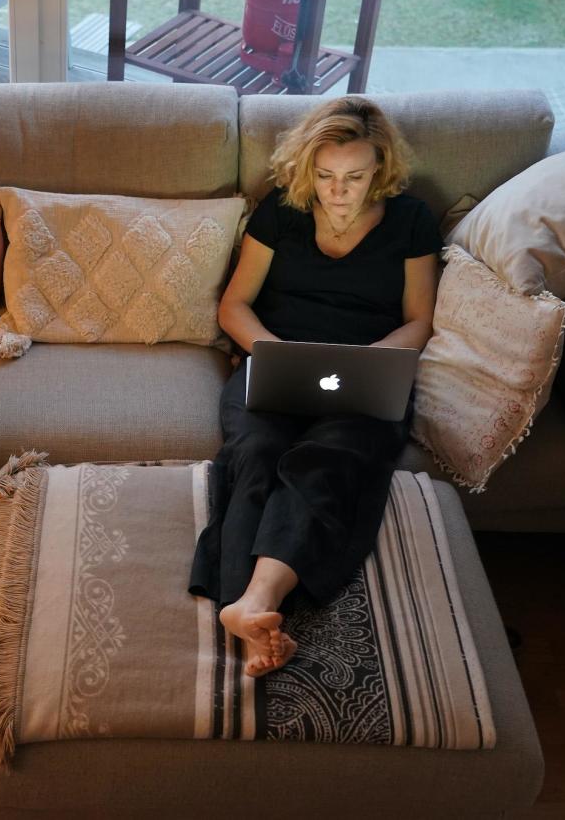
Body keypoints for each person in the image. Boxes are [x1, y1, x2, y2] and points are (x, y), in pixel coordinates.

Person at [189, 96, 442, 678]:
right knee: (255, 453)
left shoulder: (410, 221)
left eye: (354, 177)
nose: (339, 191)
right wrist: (277, 355)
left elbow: (419, 319)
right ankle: (255, 617)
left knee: (324, 457)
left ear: (380, 168)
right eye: (326, 176)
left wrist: (369, 362)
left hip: (368, 368)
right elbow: (235, 306)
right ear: (308, 169)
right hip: (276, 358)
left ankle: (253, 605)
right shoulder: (282, 210)